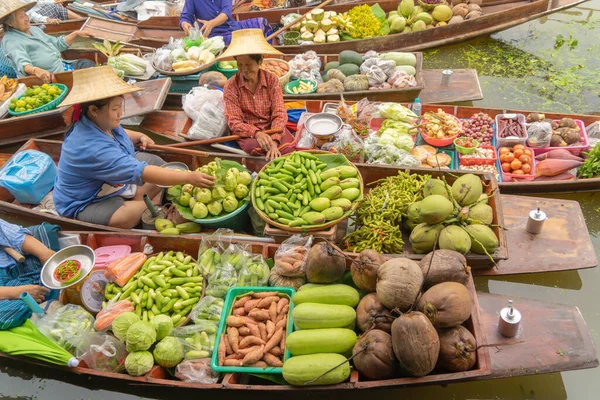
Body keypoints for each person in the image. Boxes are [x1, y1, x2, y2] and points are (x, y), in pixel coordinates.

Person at [53, 66, 216, 229]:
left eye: (120, 106)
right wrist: (188, 178)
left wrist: (139, 136)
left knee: (158, 163)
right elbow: (142, 171)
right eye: (115, 109)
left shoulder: (101, 121)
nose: (120, 113)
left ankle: (141, 199)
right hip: (86, 201)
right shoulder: (90, 147)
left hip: (110, 184)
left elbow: (119, 132)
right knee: (128, 216)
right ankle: (144, 203)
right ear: (94, 110)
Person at [222, 29, 296, 160]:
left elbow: (279, 113)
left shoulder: (272, 80)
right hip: (249, 133)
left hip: (272, 128)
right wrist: (256, 133)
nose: (244, 69)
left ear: (260, 61)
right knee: (256, 148)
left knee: (288, 147)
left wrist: (274, 141)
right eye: (240, 64)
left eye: (248, 64)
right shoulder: (231, 85)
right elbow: (234, 122)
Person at [0, 0, 95, 82]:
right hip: (48, 78)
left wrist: (76, 34)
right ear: (10, 23)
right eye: (21, 17)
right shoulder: (10, 40)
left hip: (61, 66)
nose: (26, 18)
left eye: (25, 14)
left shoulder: (34, 29)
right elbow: (22, 63)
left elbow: (56, 44)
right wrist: (36, 71)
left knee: (87, 64)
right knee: (87, 76)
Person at [0, 218, 60, 330]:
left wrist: (46, 255)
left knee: (44, 233)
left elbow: (14, 235)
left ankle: (41, 292)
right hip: (4, 293)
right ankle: (39, 295)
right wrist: (17, 292)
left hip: (13, 264)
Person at [179, 0, 272, 45]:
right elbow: (185, 16)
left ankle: (267, 55)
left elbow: (226, 13)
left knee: (262, 22)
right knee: (238, 39)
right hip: (212, 34)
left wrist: (212, 23)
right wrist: (185, 24)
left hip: (232, 25)